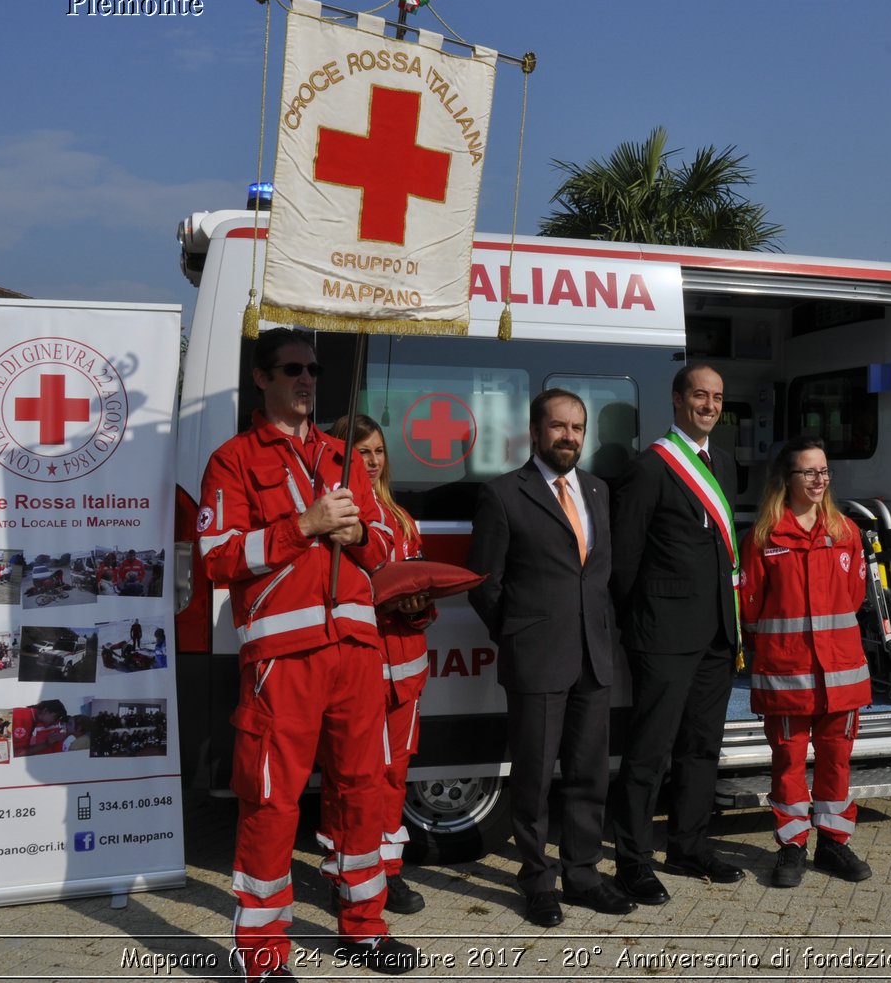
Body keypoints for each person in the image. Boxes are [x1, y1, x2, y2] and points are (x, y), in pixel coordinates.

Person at [196, 327, 414, 980]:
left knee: (363, 793)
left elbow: (385, 549)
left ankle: (364, 929)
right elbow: (215, 559)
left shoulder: (342, 455)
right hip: (281, 657)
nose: (306, 379)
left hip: (355, 649)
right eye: (291, 368)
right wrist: (305, 526)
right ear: (261, 378)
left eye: (313, 369)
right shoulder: (232, 459)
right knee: (271, 802)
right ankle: (261, 957)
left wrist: (360, 530)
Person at [468, 389, 634, 925]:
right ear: (536, 432)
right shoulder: (502, 495)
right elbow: (484, 585)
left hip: (593, 655)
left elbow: (599, 574)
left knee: (589, 775)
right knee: (535, 779)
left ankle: (583, 876)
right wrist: (517, 634)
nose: (569, 437)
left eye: (578, 428)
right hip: (537, 656)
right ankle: (537, 881)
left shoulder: (598, 491)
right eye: (559, 427)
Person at [609, 363, 744, 906]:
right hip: (662, 636)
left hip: (715, 631)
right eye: (699, 396)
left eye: (716, 397)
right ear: (677, 400)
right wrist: (635, 627)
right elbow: (624, 560)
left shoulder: (725, 465)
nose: (709, 405)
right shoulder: (652, 467)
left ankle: (688, 845)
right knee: (650, 753)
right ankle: (632, 861)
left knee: (701, 748)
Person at [738, 438, 873, 887]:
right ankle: (792, 846)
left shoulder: (846, 534)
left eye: (824, 471)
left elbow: (852, 600)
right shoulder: (763, 538)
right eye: (809, 472)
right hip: (788, 676)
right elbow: (751, 610)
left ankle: (833, 844)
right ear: (787, 480)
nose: (819, 480)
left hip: (840, 675)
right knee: (788, 764)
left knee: (837, 762)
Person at [316, 413, 433, 918]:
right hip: (358, 664)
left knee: (394, 774)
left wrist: (419, 605)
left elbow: (420, 589)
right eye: (360, 451)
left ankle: (389, 870)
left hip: (405, 667)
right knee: (352, 777)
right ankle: (344, 872)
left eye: (378, 450)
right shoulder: (335, 515)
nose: (372, 459)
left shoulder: (404, 518)